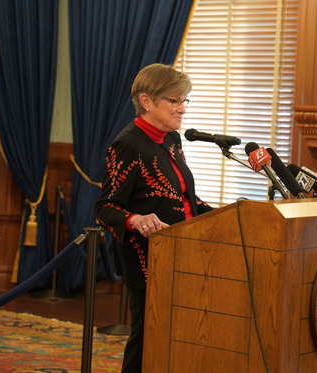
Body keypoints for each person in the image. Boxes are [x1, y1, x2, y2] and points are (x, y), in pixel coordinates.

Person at [95, 63, 214, 373]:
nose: (182, 110)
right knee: (149, 338)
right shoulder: (128, 144)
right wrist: (135, 219)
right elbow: (105, 207)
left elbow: (186, 198)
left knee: (178, 337)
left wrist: (232, 212)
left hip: (185, 252)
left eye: (184, 100)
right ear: (147, 101)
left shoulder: (171, 140)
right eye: (173, 101)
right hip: (149, 260)